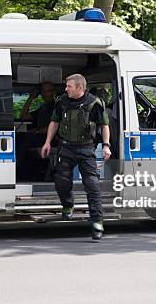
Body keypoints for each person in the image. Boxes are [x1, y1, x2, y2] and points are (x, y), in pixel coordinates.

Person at [40, 74, 111, 241]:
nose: (66, 89)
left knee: (92, 185)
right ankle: (68, 205)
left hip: (86, 149)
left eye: (69, 86)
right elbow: (54, 122)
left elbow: (104, 125)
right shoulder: (61, 102)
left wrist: (106, 145)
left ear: (80, 88)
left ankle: (97, 222)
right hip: (66, 148)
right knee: (61, 183)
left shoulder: (94, 103)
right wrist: (47, 142)